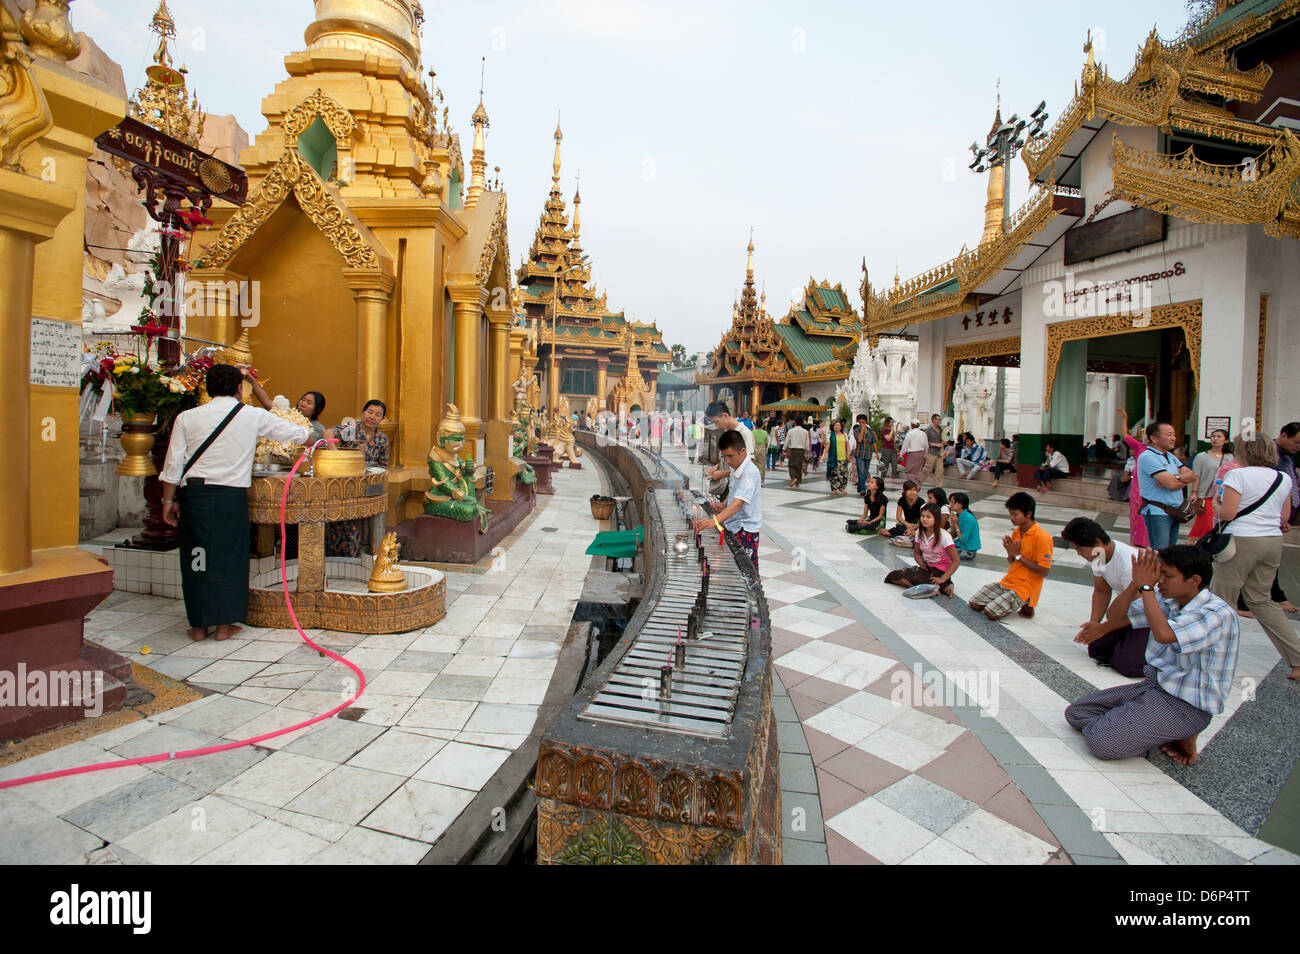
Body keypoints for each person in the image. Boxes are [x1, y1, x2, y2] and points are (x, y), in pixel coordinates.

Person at [160, 364, 311, 642]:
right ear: (239, 389)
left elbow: (172, 465)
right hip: (229, 499)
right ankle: (224, 625)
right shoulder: (251, 415)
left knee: (197, 559)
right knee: (229, 559)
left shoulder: (186, 418)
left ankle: (199, 625)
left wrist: (168, 500)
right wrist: (314, 438)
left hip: (195, 498)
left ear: (207, 387)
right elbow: (296, 433)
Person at [1065, 546, 1238, 764]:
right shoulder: (1170, 600)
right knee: (1076, 713)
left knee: (1101, 741)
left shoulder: (1216, 613)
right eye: (1159, 573)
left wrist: (1147, 588)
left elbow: (1164, 634)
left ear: (1194, 580)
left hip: (1186, 706)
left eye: (1167, 575)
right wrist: (1136, 585)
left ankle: (1169, 729)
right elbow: (1115, 616)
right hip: (1155, 688)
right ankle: (1142, 726)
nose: (1160, 581)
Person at [1209, 432, 1298, 679]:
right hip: (1272, 542)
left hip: (1242, 541)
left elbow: (1227, 514)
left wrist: (1217, 503)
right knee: (1261, 600)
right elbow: (1285, 518)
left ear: (1244, 451)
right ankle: (1297, 659)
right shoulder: (1283, 477)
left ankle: (1213, 660)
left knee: (1221, 599)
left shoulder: (1237, 474)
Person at [1062, 517, 1144, 675]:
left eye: (1080, 549)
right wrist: (1094, 623)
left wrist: (1104, 628)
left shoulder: (1128, 565)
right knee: (1096, 648)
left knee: (1127, 664)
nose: (1079, 554)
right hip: (1126, 613)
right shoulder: (1099, 556)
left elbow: (1140, 610)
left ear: (1097, 542)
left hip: (1147, 617)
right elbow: (1102, 590)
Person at [968, 491, 1052, 620]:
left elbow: (1044, 571)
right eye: (1010, 514)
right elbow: (1012, 561)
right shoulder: (1016, 532)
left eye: (1015, 514)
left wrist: (1018, 555)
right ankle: (1007, 598)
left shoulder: (1042, 537)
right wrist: (1010, 553)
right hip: (1009, 581)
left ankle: (1028, 601)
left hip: (1026, 586)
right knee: (974, 603)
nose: (1012, 518)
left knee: (990, 612)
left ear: (1029, 514)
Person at [326, 399, 390, 557]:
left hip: (368, 483)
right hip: (345, 483)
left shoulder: (382, 439)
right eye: (370, 412)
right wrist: (334, 451)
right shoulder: (351, 429)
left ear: (381, 419)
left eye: (377, 415)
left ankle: (375, 553)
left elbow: (383, 465)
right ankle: (345, 551)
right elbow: (328, 432)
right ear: (363, 412)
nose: (372, 417)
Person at [694, 428, 762, 567]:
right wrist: (724, 504)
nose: (727, 460)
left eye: (730, 456)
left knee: (746, 569)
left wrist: (713, 521)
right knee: (733, 565)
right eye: (724, 456)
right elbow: (734, 493)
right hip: (734, 525)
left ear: (742, 451)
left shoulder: (749, 473)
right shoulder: (735, 468)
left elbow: (738, 504)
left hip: (746, 530)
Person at [1137, 421, 1198, 549]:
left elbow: (1192, 475)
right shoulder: (1148, 457)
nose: (1173, 438)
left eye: (1174, 435)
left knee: (1171, 552)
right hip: (1158, 511)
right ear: (1154, 438)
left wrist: (1175, 478)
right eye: (1169, 435)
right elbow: (1171, 484)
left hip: (1175, 510)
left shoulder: (1170, 456)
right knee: (1161, 551)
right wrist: (1176, 480)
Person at [885, 503, 959, 597]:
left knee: (926, 578)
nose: (924, 519)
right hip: (926, 568)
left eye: (928, 517)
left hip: (940, 570)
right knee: (893, 575)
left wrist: (943, 578)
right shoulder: (919, 532)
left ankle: (941, 584)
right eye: (922, 516)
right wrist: (922, 564)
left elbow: (956, 561)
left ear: (936, 519)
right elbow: (917, 554)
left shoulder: (944, 536)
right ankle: (938, 587)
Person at [242, 369, 327, 445]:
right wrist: (251, 381)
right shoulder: (286, 414)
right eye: (302, 399)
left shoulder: (319, 429)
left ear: (317, 409)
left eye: (308, 403)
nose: (302, 403)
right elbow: (266, 401)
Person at [1188, 429, 1234, 542]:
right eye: (1213, 436)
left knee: (1213, 526)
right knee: (1207, 524)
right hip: (1205, 496)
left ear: (1226, 440)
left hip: (1222, 496)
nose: (1215, 439)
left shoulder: (1229, 458)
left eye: (1219, 436)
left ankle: (1194, 547)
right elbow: (1196, 475)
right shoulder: (1202, 457)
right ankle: (1196, 547)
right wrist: (1194, 492)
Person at [1117, 409, 1150, 547]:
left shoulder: (1163, 453)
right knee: (1137, 513)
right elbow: (1125, 435)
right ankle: (1136, 539)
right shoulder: (1140, 448)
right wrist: (1124, 419)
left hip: (1151, 488)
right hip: (1138, 487)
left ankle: (1148, 541)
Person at [703, 401, 754, 481]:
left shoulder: (745, 433)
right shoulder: (726, 432)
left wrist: (722, 474)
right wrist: (717, 466)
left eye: (716, 422)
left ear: (725, 415)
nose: (716, 426)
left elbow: (750, 465)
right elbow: (729, 459)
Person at [950, 492, 981, 561]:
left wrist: (956, 524)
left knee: (943, 554)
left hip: (968, 551)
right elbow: (952, 535)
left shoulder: (968, 518)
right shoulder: (958, 515)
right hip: (959, 546)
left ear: (960, 505)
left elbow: (963, 540)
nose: (950, 504)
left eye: (952, 502)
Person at [825, 418, 852, 496]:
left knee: (844, 473)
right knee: (834, 474)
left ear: (841, 427)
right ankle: (834, 488)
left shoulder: (844, 435)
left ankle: (841, 487)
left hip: (843, 457)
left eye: (838, 425)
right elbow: (828, 445)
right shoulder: (830, 435)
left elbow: (847, 445)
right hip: (834, 458)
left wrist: (848, 454)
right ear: (832, 427)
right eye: (835, 425)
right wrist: (826, 454)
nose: (836, 427)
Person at [851, 414, 877, 495]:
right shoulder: (856, 430)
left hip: (868, 454)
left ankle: (860, 488)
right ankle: (862, 489)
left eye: (863, 422)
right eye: (860, 422)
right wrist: (862, 430)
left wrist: (876, 453)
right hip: (860, 454)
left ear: (866, 422)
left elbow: (874, 442)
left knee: (865, 473)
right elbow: (859, 440)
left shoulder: (870, 431)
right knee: (861, 472)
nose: (862, 424)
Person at [901, 419, 928, 486]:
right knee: (918, 470)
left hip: (912, 454)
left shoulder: (910, 433)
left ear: (912, 425)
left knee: (909, 470)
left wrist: (901, 454)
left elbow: (905, 445)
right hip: (921, 453)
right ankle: (918, 484)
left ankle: (914, 484)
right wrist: (925, 455)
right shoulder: (923, 433)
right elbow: (926, 445)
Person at [784, 415, 809, 487]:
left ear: (794, 422)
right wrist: (807, 451)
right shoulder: (805, 432)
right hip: (801, 451)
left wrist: (784, 449)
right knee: (799, 466)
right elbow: (807, 442)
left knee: (791, 465)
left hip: (793, 450)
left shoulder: (791, 431)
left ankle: (794, 478)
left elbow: (787, 441)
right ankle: (797, 483)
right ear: (802, 422)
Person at [923, 413, 945, 489]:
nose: (939, 421)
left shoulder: (941, 429)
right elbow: (925, 442)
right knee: (927, 469)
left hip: (939, 452)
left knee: (940, 470)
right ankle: (919, 483)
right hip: (931, 452)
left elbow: (942, 439)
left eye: (940, 419)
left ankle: (939, 487)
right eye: (938, 419)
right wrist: (935, 444)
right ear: (933, 420)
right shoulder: (928, 430)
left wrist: (943, 442)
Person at [751, 418, 769, 485]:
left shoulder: (752, 432)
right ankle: (761, 479)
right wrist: (765, 449)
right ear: (762, 425)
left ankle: (754, 478)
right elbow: (766, 443)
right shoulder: (765, 432)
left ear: (755, 425)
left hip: (754, 448)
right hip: (762, 449)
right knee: (761, 465)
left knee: (754, 464)